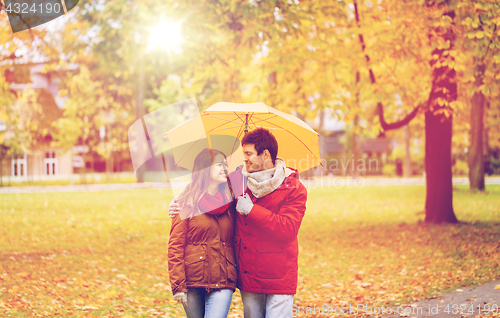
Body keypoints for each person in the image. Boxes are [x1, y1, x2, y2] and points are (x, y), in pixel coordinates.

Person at [170, 128, 307, 318]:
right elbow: (205, 184)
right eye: (244, 154)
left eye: (249, 154)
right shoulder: (237, 180)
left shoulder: (293, 187)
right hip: (249, 274)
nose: (245, 159)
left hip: (279, 274)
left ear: (265, 154)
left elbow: (288, 229)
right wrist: (179, 201)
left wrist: (252, 210)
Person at [168, 148, 238, 318]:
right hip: (193, 279)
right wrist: (178, 285)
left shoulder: (232, 199)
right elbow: (176, 245)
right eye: (219, 164)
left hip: (223, 278)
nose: (224, 168)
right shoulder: (186, 201)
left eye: (225, 164)